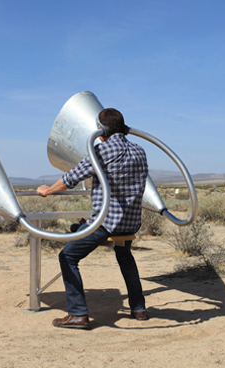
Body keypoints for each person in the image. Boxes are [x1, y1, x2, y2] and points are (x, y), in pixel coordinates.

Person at [37, 108, 149, 329]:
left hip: (106, 223)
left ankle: (78, 314)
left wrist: (48, 190)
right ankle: (138, 309)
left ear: (102, 129)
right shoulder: (140, 151)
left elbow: (72, 177)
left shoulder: (101, 151)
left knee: (68, 256)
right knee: (125, 255)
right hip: (130, 222)